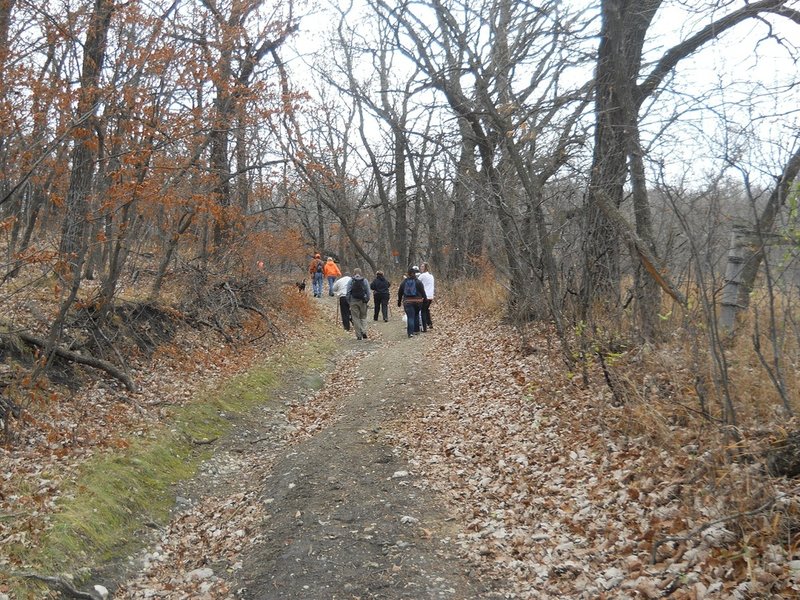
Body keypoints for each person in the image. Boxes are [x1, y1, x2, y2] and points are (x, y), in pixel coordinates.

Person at [397, 267, 426, 338]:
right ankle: (416, 330)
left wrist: (399, 301)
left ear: (408, 274)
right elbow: (423, 292)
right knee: (416, 315)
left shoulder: (404, 282)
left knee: (410, 317)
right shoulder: (418, 282)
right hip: (418, 302)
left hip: (407, 302)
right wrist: (425, 300)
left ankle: (410, 333)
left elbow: (400, 292)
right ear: (415, 274)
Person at [346, 268, 371, 340]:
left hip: (353, 301)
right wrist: (367, 300)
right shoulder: (365, 280)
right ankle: (364, 331)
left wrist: (349, 301)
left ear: (353, 273)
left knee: (355, 318)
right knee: (363, 317)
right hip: (363, 301)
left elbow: (348, 292)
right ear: (361, 273)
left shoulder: (351, 281)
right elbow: (368, 292)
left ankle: (359, 335)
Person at [417, 262, 435, 330]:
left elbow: (416, 282)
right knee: (426, 309)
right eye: (421, 266)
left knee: (423, 311)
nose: (421, 268)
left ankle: (424, 327)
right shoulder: (431, 276)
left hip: (425, 296)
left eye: (422, 266)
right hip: (430, 296)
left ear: (425, 268)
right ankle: (429, 323)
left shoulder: (422, 275)